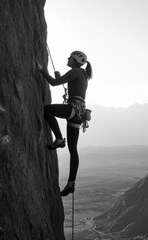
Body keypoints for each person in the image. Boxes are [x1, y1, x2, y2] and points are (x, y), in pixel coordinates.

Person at [36, 50, 92, 196]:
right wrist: (61, 77)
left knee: (47, 110)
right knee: (73, 149)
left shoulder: (76, 71)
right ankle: (71, 183)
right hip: (79, 113)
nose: (68, 59)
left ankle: (59, 139)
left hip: (73, 108)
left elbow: (54, 84)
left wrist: (41, 70)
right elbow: (73, 86)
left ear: (76, 61)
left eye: (70, 58)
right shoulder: (82, 74)